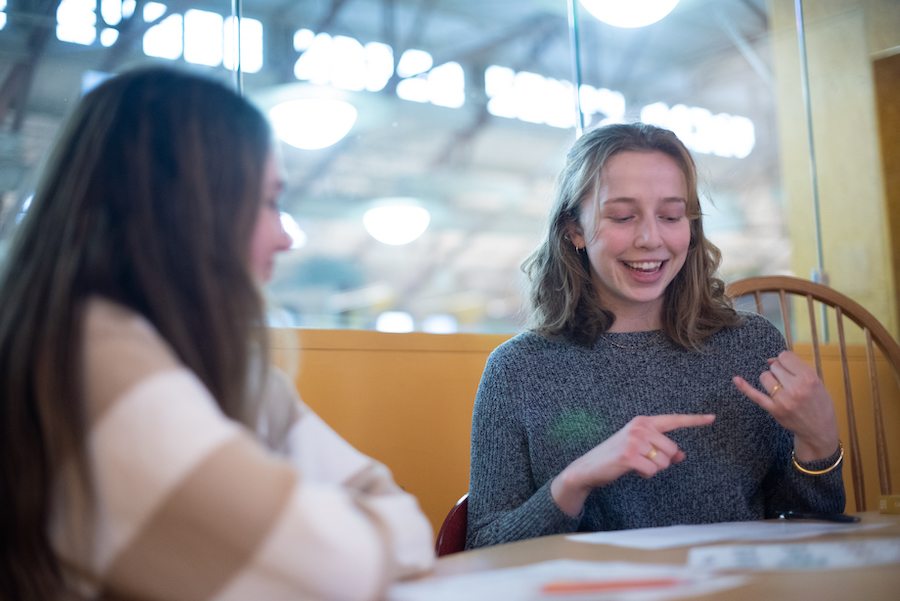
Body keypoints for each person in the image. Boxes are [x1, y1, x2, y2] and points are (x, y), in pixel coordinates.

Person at [0, 68, 434, 599]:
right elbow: (333, 569)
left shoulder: (237, 373)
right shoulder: (92, 359)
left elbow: (396, 512)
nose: (286, 237)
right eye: (269, 202)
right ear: (189, 209)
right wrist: (346, 531)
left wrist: (344, 531)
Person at [466, 123, 845, 549]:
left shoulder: (751, 345)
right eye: (623, 217)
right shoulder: (518, 369)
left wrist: (819, 442)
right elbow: (484, 546)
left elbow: (809, 534)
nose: (651, 239)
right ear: (574, 228)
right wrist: (576, 479)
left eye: (670, 216)